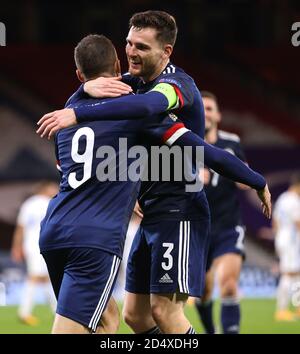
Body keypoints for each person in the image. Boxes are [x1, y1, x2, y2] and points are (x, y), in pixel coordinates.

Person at [37, 11, 271, 334]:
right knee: (135, 316)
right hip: (151, 212)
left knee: (165, 312)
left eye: (142, 47)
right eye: (129, 44)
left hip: (180, 210)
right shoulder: (133, 84)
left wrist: (77, 111)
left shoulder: (176, 86)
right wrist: (88, 89)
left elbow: (151, 111)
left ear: (166, 52)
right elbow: (104, 93)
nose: (132, 52)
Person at [193, 91, 250, 334]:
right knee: (203, 292)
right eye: (201, 108)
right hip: (197, 229)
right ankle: (211, 330)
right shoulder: (183, 142)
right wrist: (190, 177)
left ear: (218, 115)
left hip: (228, 224)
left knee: (227, 285)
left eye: (209, 108)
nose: (205, 113)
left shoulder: (231, 142)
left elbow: (245, 181)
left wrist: (237, 172)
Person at [11, 181, 58, 325]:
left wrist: (16, 246)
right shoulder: (49, 203)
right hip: (41, 245)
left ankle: (57, 311)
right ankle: (24, 312)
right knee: (35, 277)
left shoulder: (28, 204)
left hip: (31, 245)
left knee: (45, 278)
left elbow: (20, 227)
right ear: (46, 188)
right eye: (53, 187)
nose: (56, 189)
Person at [273, 173, 300, 321]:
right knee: (288, 274)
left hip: (282, 238)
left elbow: (275, 221)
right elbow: (298, 223)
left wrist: (277, 238)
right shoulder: (294, 200)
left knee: (296, 274)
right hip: (290, 240)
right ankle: (281, 311)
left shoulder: (283, 198)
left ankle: (298, 307)